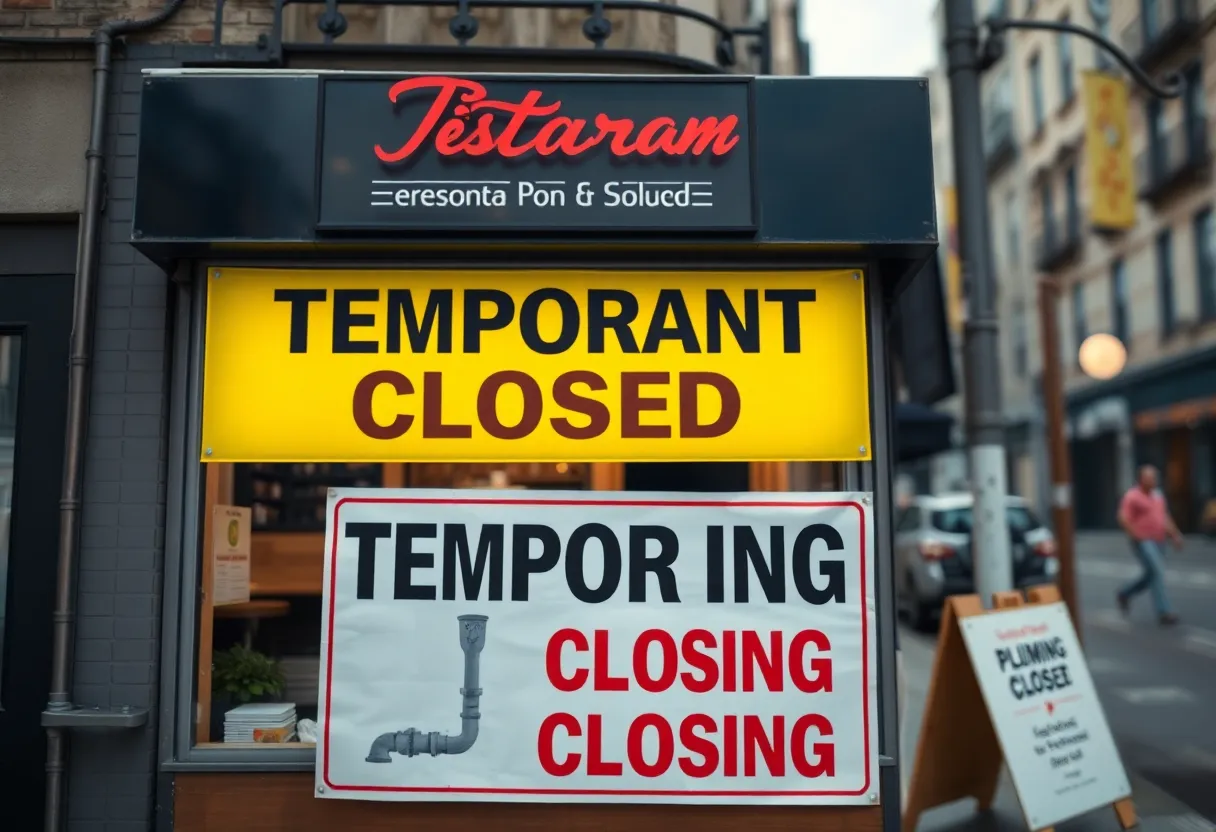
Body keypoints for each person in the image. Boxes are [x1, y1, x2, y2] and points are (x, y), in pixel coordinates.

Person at [1116, 465, 1182, 626]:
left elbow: (1164, 517)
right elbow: (1123, 517)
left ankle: (1125, 593)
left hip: (1159, 540)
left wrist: (1175, 534)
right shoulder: (1132, 496)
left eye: (1155, 477)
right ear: (1141, 479)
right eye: (1150, 477)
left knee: (1151, 574)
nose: (1154, 480)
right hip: (1143, 541)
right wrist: (1136, 534)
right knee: (1157, 571)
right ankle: (1164, 612)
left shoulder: (1158, 495)